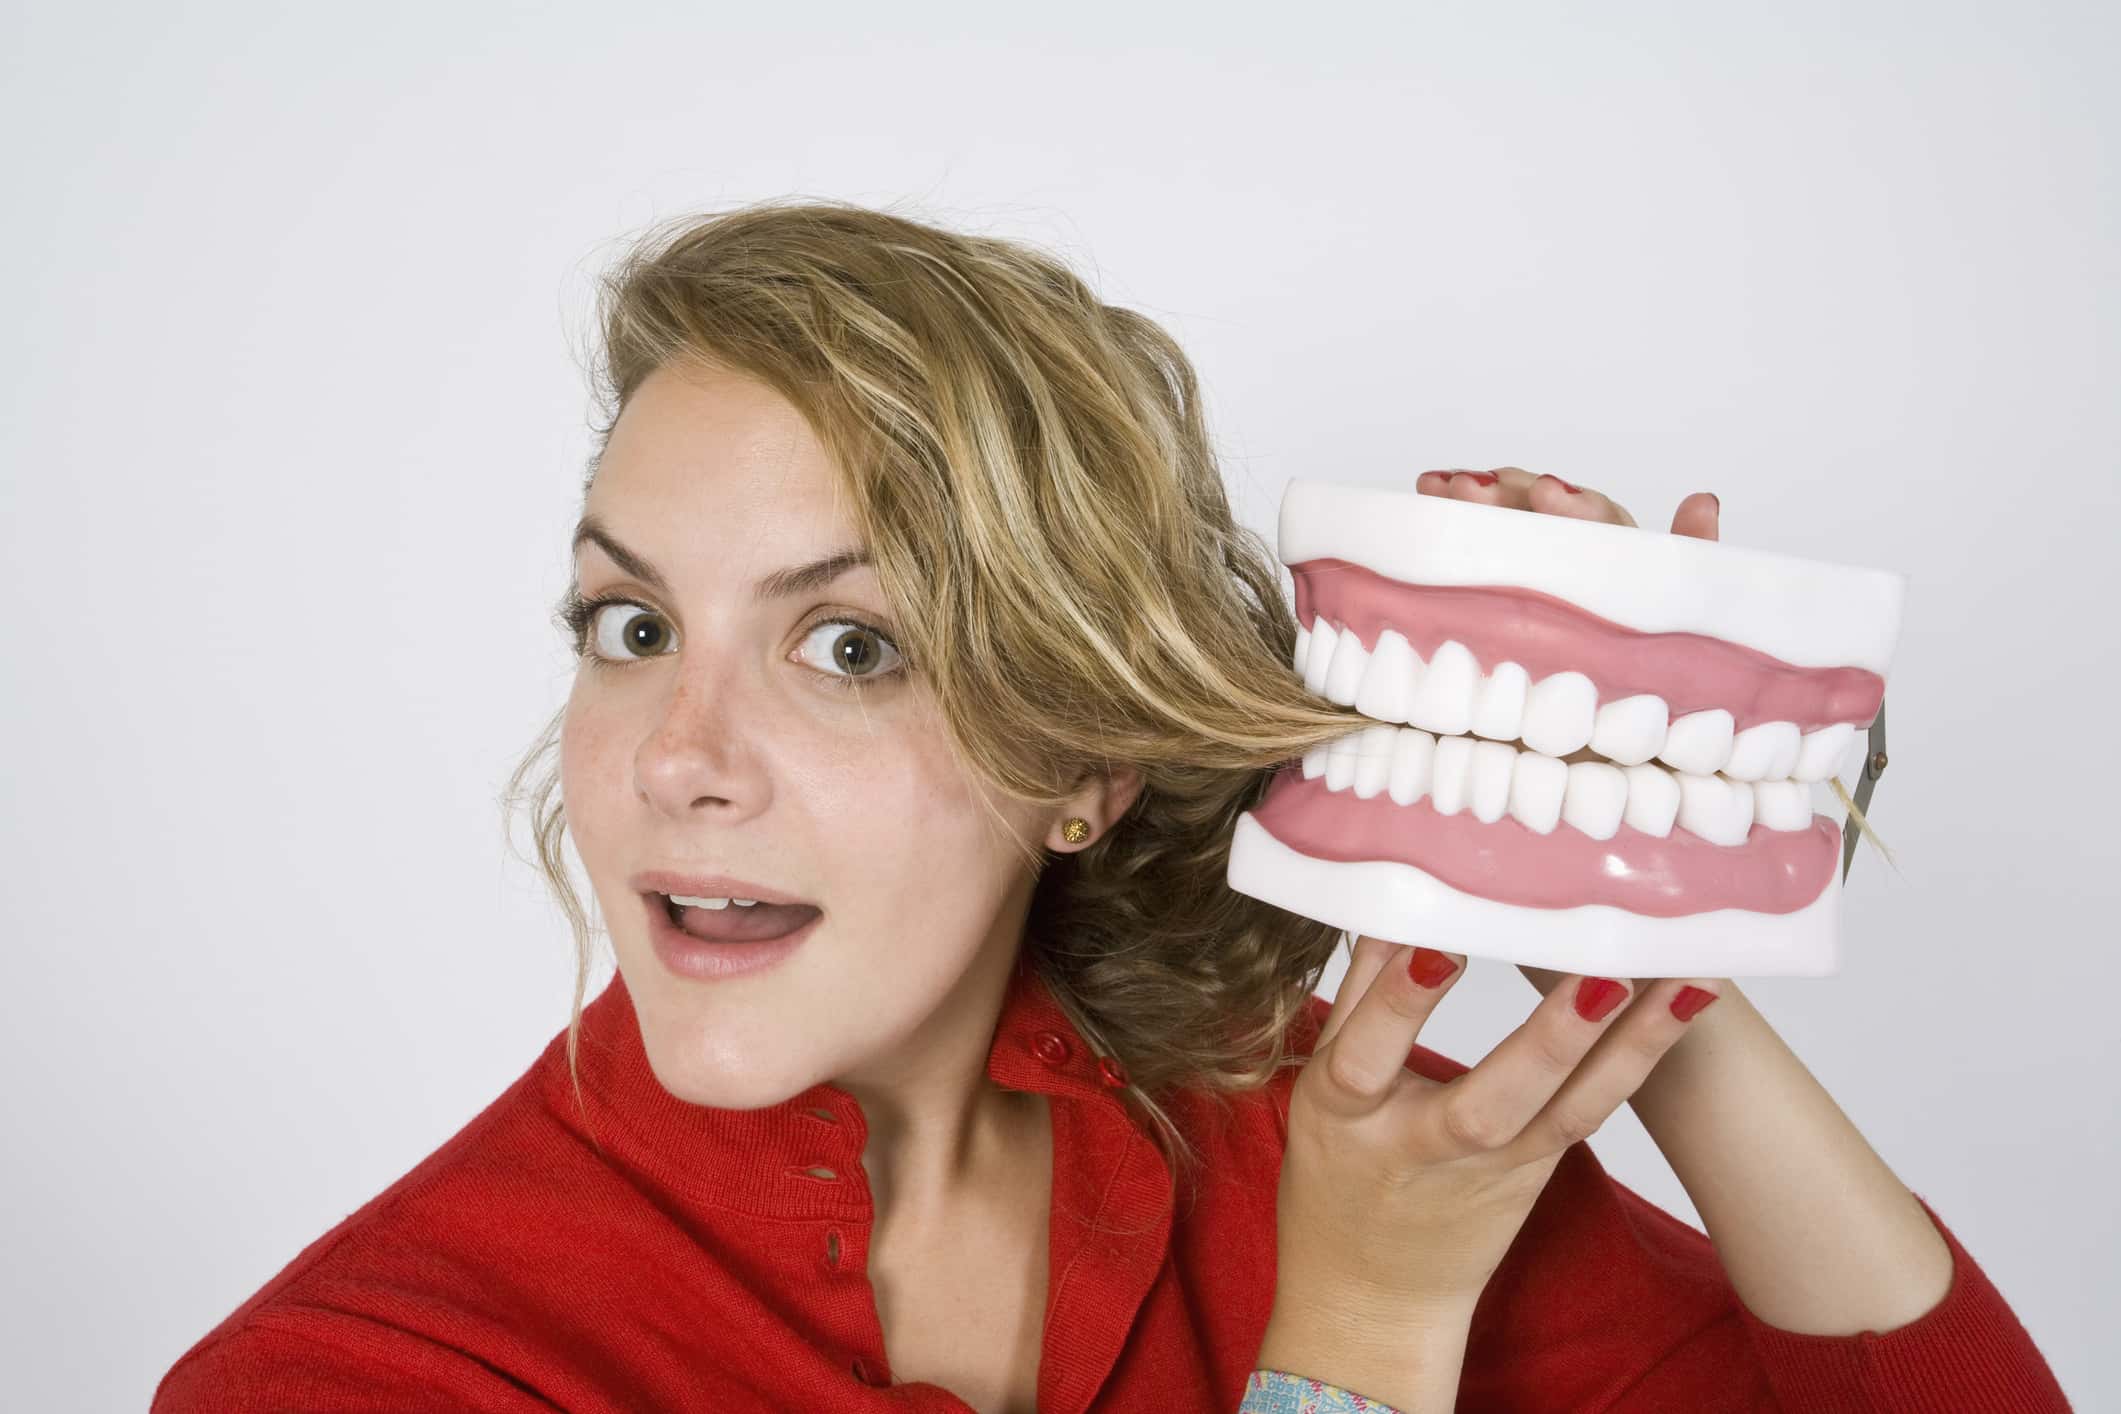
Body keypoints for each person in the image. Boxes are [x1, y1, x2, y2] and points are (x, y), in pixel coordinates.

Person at [152, 199, 2069, 1413]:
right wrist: (1355, 1346)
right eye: (631, 622)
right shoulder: (371, 1368)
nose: (677, 752)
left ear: (1083, 763)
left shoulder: (1281, 1125)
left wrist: (1634, 912)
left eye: (849, 648)